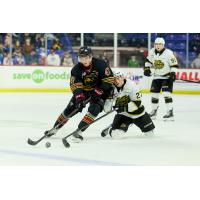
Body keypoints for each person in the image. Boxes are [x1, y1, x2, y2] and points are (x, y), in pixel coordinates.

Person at [45, 46, 114, 142]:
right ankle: (55, 128)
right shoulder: (76, 69)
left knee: (94, 110)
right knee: (70, 109)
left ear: (91, 57)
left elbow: (109, 80)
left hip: (100, 91)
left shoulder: (101, 64)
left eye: (86, 57)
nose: (84, 60)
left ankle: (79, 131)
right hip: (84, 91)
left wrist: (99, 90)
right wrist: (79, 98)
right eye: (82, 58)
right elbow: (75, 85)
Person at [101, 71, 155, 139]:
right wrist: (107, 107)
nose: (116, 81)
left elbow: (137, 103)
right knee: (116, 136)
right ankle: (111, 128)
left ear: (123, 77)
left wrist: (124, 108)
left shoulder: (132, 86)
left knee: (150, 135)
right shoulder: (111, 89)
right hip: (124, 115)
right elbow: (108, 106)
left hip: (139, 114)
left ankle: (114, 125)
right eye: (114, 79)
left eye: (118, 78)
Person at [144, 37, 179, 120]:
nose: (158, 46)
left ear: (163, 45)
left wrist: (173, 73)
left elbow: (174, 65)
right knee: (154, 95)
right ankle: (153, 112)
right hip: (156, 77)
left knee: (166, 94)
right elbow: (148, 61)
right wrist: (147, 69)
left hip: (166, 77)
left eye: (160, 44)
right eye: (156, 44)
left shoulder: (169, 53)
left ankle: (170, 112)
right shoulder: (152, 52)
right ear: (154, 44)